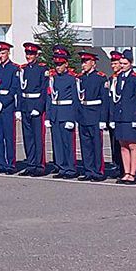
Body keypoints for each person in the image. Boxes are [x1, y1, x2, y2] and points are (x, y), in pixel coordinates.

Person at [110, 49, 136, 185]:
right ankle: (126, 172)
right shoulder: (117, 78)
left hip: (130, 117)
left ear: (131, 63)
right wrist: (112, 118)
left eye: (125, 63)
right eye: (121, 63)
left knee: (132, 145)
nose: (122, 65)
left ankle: (132, 173)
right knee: (123, 145)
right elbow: (114, 99)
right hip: (120, 116)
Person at [76, 51, 109, 182]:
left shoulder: (101, 78)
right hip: (83, 113)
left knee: (96, 145)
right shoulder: (81, 78)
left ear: (93, 63)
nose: (83, 65)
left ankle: (98, 171)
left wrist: (102, 119)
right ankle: (88, 170)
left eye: (86, 62)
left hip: (95, 114)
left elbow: (104, 100)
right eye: (82, 62)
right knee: (85, 145)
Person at [0, 42, 20, 174]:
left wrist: (2, 103)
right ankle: (0, 163)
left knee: (9, 136)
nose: (1, 56)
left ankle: (10, 164)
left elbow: (14, 89)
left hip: (7, 106)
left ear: (8, 53)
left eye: (3, 53)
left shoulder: (14, 69)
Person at [46, 48, 78, 179]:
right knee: (57, 143)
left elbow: (75, 100)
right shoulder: (52, 79)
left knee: (67, 143)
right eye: (56, 64)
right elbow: (49, 97)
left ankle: (70, 168)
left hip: (66, 114)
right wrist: (48, 116)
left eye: (60, 64)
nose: (58, 67)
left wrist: (72, 118)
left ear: (66, 64)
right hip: (55, 113)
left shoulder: (72, 79)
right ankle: (61, 167)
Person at [17, 43, 48, 177]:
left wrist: (39, 107)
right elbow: (20, 90)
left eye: (31, 54)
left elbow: (44, 90)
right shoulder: (23, 69)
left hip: (36, 106)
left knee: (38, 137)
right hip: (25, 106)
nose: (28, 56)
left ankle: (39, 165)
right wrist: (19, 108)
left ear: (36, 55)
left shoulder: (42, 69)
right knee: (27, 137)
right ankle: (30, 164)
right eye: (27, 54)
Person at [106, 51, 124, 177]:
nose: (113, 66)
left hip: (122, 115)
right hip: (112, 115)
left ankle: (123, 167)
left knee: (122, 142)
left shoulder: (124, 79)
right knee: (113, 142)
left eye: (116, 63)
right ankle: (116, 164)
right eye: (112, 63)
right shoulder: (112, 79)